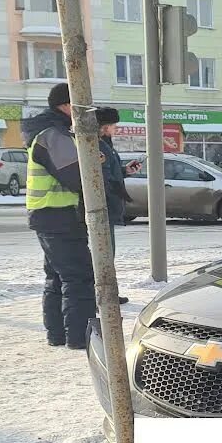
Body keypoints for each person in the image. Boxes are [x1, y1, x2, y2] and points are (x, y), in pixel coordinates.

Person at [23, 82, 95, 350]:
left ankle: (58, 334)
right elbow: (78, 177)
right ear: (66, 106)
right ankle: (80, 337)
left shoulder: (51, 133)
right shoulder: (53, 135)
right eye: (81, 108)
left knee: (57, 277)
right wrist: (93, 168)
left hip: (50, 216)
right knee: (79, 278)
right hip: (60, 217)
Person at [93, 107, 130, 306]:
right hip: (104, 208)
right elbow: (104, 176)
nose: (115, 129)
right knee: (104, 255)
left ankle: (107, 295)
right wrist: (117, 189)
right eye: (114, 126)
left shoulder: (106, 145)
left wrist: (125, 171)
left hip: (108, 208)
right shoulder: (99, 146)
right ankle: (104, 297)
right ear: (105, 127)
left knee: (107, 254)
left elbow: (111, 173)